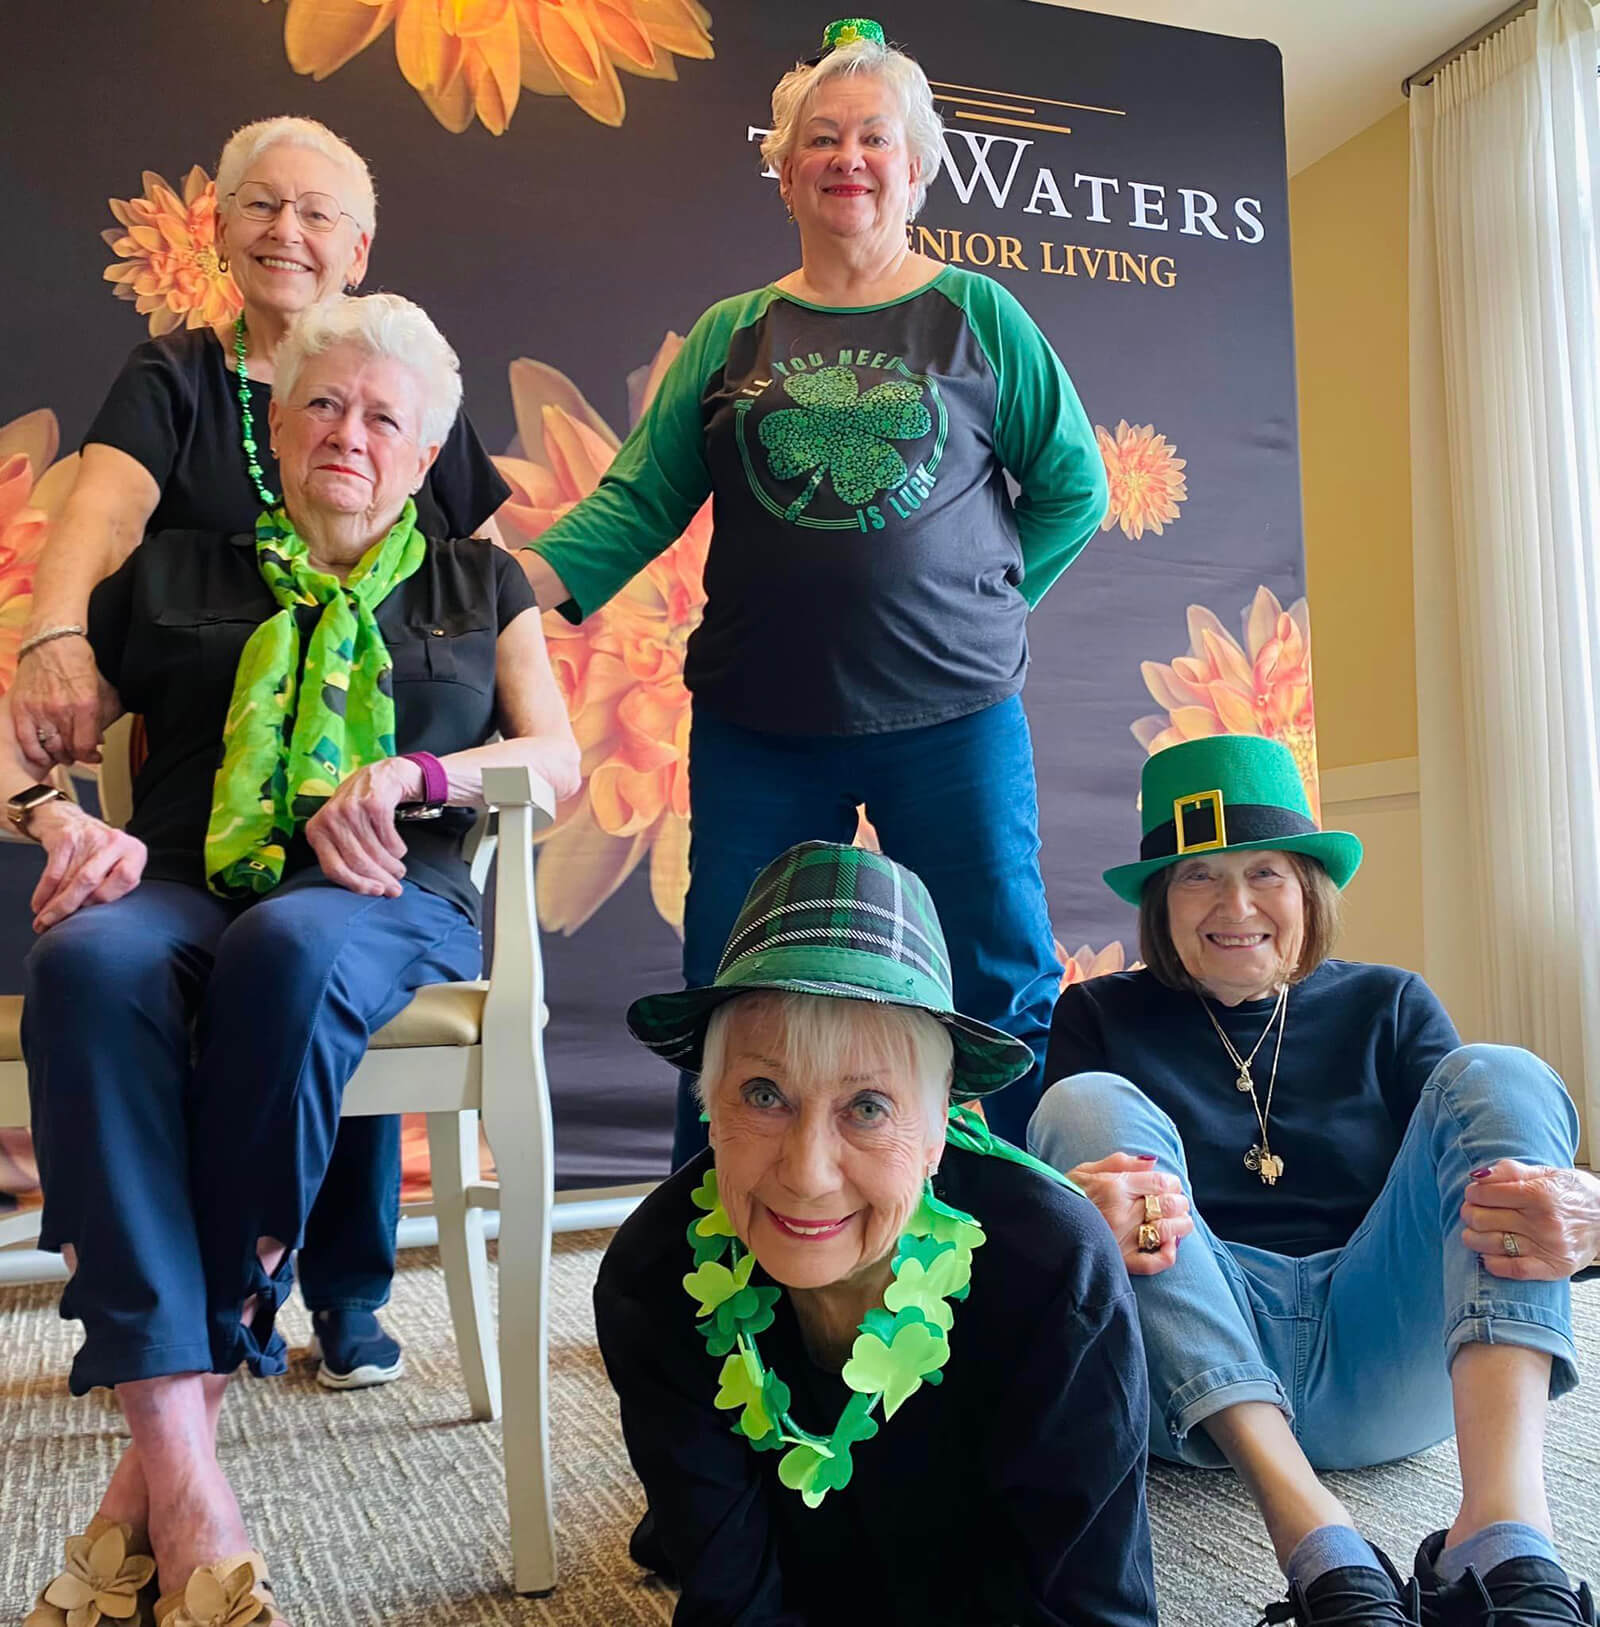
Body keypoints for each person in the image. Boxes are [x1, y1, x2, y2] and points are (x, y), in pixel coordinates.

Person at [13, 293, 579, 1626]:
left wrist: (418, 768)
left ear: (427, 446)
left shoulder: (477, 584)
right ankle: (188, 1473)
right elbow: (22, 733)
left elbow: (553, 762)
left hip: (393, 893)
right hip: (185, 877)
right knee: (88, 961)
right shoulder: (174, 573)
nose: (351, 433)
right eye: (324, 403)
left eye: (387, 415)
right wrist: (52, 817)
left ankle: (155, 1485)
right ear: (275, 427)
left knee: (290, 943)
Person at [517, 18, 1108, 1163]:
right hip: (759, 725)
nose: (848, 157)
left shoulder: (982, 317)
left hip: (954, 718)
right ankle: (712, 1255)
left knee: (999, 971)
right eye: (821, 138)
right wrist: (493, 585)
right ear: (783, 169)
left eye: (874, 137)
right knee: (730, 985)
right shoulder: (733, 334)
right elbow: (634, 505)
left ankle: (1028, 1235)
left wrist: (986, 598)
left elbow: (1072, 490)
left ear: (919, 166)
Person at [10, 115, 514, 1389]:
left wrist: (481, 666)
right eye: (260, 205)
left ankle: (331, 1286)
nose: (288, 231)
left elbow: (470, 573)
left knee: (316, 935)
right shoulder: (175, 381)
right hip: (207, 749)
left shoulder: (403, 378)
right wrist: (57, 639)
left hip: (368, 794)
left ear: (360, 244)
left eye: (319, 211)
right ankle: (198, 1313)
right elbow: (104, 512)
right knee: (200, 947)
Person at [1028, 734, 1600, 1627]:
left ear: (1308, 887)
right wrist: (1074, 1215)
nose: (1235, 904)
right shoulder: (1098, 1012)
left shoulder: (1391, 1002)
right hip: (1200, 1372)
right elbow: (1042, 1225)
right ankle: (1324, 1553)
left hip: (1380, 1343)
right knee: (1087, 1106)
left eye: (1266, 872)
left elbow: (1479, 1173)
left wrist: (1593, 1218)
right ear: (1159, 905)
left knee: (1502, 1071)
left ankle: (1507, 1534)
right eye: (1197, 876)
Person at [595, 840, 1158, 1627]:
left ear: (941, 1130)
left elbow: (1089, 1613)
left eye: (867, 1106)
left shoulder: (1056, 1274)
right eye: (764, 1093)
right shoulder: (654, 1277)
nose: (808, 1172)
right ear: (708, 1106)